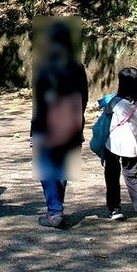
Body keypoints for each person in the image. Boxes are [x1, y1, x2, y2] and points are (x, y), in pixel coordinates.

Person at [31, 21, 88, 228]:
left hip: (47, 124)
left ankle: (55, 211)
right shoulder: (77, 66)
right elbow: (84, 96)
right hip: (72, 121)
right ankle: (57, 208)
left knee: (47, 167)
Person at [102, 67, 137, 225]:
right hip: (132, 147)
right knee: (131, 177)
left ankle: (115, 209)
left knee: (112, 175)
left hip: (113, 144)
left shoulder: (116, 102)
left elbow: (106, 111)